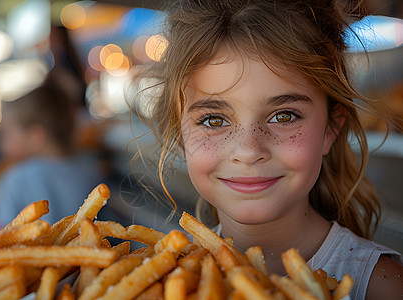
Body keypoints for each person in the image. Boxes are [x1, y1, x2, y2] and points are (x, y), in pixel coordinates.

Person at [135, 1, 402, 299]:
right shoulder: (160, 279)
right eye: (213, 120)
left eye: (284, 116)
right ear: (180, 135)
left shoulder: (381, 286)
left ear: (331, 129)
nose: (248, 151)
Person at [0, 82, 104, 227]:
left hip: (28, 250)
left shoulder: (15, 179)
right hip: (86, 248)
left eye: (5, 134)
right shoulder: (91, 168)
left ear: (36, 136)